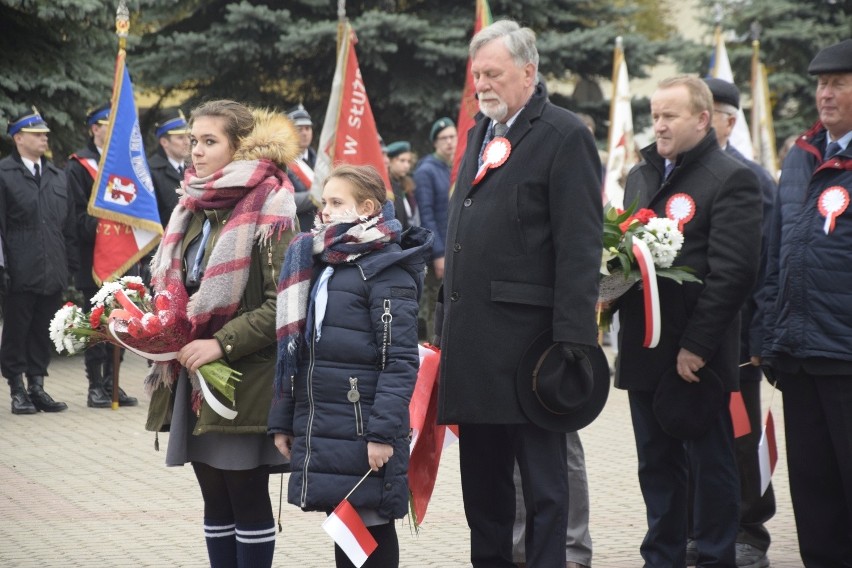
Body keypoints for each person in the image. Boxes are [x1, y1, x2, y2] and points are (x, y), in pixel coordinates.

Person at [436, 20, 603, 567]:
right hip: (476, 350)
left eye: (493, 73)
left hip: (532, 356)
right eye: (476, 74)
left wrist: (572, 345)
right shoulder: (477, 135)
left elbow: (580, 248)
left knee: (543, 492)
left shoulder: (563, 134)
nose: (481, 84)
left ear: (528, 72)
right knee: (483, 496)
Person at [615, 75, 761, 567]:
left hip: (695, 358)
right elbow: (624, 254)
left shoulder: (729, 177)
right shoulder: (641, 175)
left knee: (710, 463)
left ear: (702, 119)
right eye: (654, 114)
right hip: (644, 347)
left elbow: (734, 272)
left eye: (669, 115)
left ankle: (717, 556)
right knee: (655, 465)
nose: (658, 124)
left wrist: (696, 346)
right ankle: (662, 556)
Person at [144, 99, 298, 568]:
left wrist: (220, 342)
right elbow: (178, 288)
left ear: (241, 147)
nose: (196, 151)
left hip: (244, 378)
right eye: (194, 140)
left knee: (246, 498)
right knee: (214, 498)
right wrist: (151, 327)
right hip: (194, 377)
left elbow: (284, 303)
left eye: (210, 141)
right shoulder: (192, 204)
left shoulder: (272, 204)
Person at [269, 164, 431, 567]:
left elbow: (400, 361)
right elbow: (297, 351)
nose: (324, 211)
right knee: (344, 527)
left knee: (371, 526)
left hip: (363, 427)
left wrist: (381, 434)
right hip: (322, 423)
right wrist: (283, 419)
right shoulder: (320, 261)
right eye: (324, 202)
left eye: (336, 202)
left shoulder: (387, 269)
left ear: (367, 208)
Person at [759, 39, 852, 567]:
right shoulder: (802, 154)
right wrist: (767, 336)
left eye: (839, 83)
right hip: (799, 356)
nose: (825, 94)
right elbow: (776, 252)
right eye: (821, 84)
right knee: (815, 501)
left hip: (846, 356)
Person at [684, 77, 777, 568]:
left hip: (738, 337)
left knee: (740, 437)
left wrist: (759, 338)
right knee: (693, 435)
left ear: (727, 120)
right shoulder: (677, 175)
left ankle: (749, 529)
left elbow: (763, 268)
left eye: (708, 111)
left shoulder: (750, 178)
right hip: (688, 338)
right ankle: (702, 527)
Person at [0, 108, 77, 414]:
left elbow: (67, 226)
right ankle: (16, 388)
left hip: (52, 268)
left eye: (45, 133)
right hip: (19, 267)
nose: (44, 137)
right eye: (36, 133)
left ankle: (37, 386)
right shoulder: (4, 174)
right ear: (18, 138)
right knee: (17, 330)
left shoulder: (57, 175)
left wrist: (70, 266)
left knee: (43, 330)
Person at [66, 103, 138, 408]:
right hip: (93, 259)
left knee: (119, 323)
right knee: (96, 324)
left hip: (122, 258)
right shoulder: (78, 165)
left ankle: (113, 383)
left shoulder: (125, 165)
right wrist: (112, 220)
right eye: (108, 126)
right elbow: (75, 218)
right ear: (95, 128)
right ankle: (95, 385)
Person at [412, 117, 455, 340]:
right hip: (438, 253)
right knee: (435, 306)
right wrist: (438, 253)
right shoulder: (426, 171)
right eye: (443, 138)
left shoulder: (455, 167)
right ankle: (433, 350)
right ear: (435, 142)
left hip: (455, 248)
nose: (449, 142)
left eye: (452, 137)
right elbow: (426, 215)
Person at [148, 107, 191, 228]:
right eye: (180, 137)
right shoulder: (151, 172)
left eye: (188, 136)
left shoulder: (194, 168)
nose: (187, 142)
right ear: (164, 142)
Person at [286, 103, 318, 231]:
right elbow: (286, 201)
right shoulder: (283, 163)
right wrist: (318, 196)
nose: (305, 133)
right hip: (297, 232)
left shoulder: (321, 160)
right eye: (299, 129)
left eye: (307, 128)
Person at [386, 141, 418, 230]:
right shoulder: (388, 187)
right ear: (390, 161)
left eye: (408, 161)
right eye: (402, 160)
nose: (407, 165)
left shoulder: (406, 184)